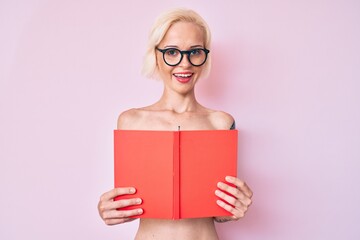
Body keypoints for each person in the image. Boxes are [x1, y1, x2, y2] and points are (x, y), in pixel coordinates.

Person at [97, 8, 253, 240]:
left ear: (205, 56)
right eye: (172, 52)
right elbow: (128, 200)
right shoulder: (131, 121)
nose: (185, 64)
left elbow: (217, 209)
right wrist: (107, 209)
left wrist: (233, 209)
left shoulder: (221, 122)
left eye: (195, 52)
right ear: (156, 55)